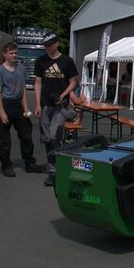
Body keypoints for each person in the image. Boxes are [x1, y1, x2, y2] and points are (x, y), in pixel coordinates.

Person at [0, 42, 46, 177]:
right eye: (11, 53)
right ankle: (5, 165)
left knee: (26, 135)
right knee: (4, 139)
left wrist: (26, 109)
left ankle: (29, 163)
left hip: (18, 105)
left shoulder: (21, 69)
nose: (14, 55)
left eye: (15, 53)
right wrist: (2, 112)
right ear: (5, 54)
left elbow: (23, 89)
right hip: (5, 105)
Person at [34, 33, 78, 186]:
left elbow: (73, 82)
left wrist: (64, 94)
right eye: (45, 45)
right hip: (45, 105)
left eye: (49, 45)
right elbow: (38, 83)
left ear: (57, 44)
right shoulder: (41, 61)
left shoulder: (67, 61)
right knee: (47, 138)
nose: (47, 48)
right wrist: (38, 104)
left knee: (54, 136)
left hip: (61, 106)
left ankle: (58, 170)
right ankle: (53, 170)